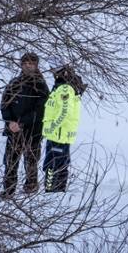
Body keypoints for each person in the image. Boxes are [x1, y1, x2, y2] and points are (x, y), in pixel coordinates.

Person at [0, 52, 49, 195]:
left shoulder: (41, 86)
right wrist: (10, 122)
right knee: (10, 162)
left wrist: (21, 123)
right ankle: (9, 190)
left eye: (31, 64)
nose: (28, 66)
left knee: (31, 163)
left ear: (36, 65)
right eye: (25, 63)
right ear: (21, 65)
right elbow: (4, 104)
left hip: (33, 131)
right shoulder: (14, 83)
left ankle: (31, 189)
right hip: (13, 131)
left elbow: (40, 110)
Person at [42, 64, 84, 193]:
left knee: (52, 164)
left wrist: (52, 127)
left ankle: (52, 190)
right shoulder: (65, 88)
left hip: (58, 134)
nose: (54, 74)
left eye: (56, 72)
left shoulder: (64, 89)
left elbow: (64, 112)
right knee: (60, 163)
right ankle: (58, 190)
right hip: (61, 134)